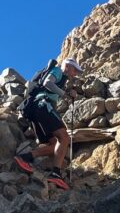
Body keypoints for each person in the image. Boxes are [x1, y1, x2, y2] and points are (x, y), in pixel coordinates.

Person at [13, 58, 82, 190]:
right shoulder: (58, 71)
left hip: (35, 110)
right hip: (43, 105)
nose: (75, 74)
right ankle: (56, 174)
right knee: (64, 137)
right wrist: (66, 93)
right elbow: (47, 83)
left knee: (54, 144)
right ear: (67, 66)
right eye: (74, 70)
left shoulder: (63, 78)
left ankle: (25, 157)